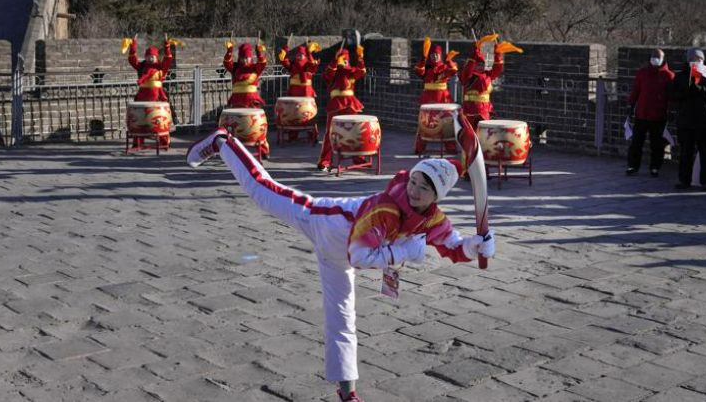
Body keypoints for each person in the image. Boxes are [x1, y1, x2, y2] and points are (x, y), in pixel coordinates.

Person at [185, 128, 496, 402]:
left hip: (340, 256)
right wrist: (403, 252)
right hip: (323, 222)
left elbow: (453, 246)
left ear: (436, 197)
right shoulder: (386, 210)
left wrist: (477, 245)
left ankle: (347, 393)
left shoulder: (432, 219)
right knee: (263, 191)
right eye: (413, 181)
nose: (414, 190)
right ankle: (224, 141)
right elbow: (359, 257)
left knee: (342, 320)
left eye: (423, 189)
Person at [669, 48, 706, 190]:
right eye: (693, 59)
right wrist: (686, 89)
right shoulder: (681, 76)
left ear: (703, 60)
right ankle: (684, 180)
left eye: (699, 59)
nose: (696, 62)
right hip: (686, 120)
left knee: (705, 152)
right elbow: (673, 95)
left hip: (704, 119)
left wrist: (700, 88)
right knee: (685, 152)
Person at [626, 48, 675, 177]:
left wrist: (670, 111)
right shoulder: (642, 73)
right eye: (653, 56)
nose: (655, 59)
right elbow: (636, 90)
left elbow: (670, 96)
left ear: (663, 59)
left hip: (658, 115)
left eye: (657, 57)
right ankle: (632, 165)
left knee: (657, 144)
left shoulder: (668, 75)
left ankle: (655, 167)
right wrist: (631, 104)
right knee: (636, 142)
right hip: (642, 113)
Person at [318, 46, 367, 171]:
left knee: (355, 131)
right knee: (330, 133)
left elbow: (361, 71)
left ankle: (358, 158)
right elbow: (328, 74)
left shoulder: (351, 71)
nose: (343, 62)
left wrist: (360, 58)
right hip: (335, 103)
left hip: (350, 103)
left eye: (345, 60)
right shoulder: (333, 72)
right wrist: (335, 61)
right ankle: (325, 161)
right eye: (342, 59)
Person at [459, 35, 522, 129]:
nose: (480, 67)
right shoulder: (468, 76)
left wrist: (497, 53)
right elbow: (467, 70)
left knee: (484, 133)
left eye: (482, 64)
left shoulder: (487, 75)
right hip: (470, 111)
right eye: (478, 64)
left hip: (484, 111)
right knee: (470, 134)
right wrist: (474, 55)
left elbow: (498, 68)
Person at [126, 37, 175, 149]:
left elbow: (168, 60)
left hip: (157, 97)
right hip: (142, 97)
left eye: (152, 56)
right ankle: (138, 143)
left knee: (160, 120)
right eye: (147, 56)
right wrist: (133, 46)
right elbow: (132, 60)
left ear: (156, 57)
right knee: (139, 120)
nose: (149, 58)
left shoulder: (161, 67)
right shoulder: (142, 66)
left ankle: (163, 142)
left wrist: (167, 46)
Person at [223, 41, 269, 158]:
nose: (244, 61)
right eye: (243, 58)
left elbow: (262, 62)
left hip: (252, 100)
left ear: (250, 58)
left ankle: (263, 149)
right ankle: (234, 149)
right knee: (235, 126)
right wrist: (229, 51)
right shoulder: (235, 68)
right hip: (237, 100)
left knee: (258, 125)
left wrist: (259, 52)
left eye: (247, 58)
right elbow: (227, 63)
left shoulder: (255, 68)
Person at [414, 38, 460, 154]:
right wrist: (423, 59)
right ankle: (420, 147)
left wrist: (449, 60)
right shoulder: (426, 68)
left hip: (443, 99)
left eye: (437, 55)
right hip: (428, 98)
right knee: (425, 123)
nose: (434, 57)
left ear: (440, 56)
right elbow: (419, 71)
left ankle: (450, 147)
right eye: (432, 55)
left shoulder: (444, 67)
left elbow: (453, 70)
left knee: (447, 123)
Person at [278, 42, 321, 141]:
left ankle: (312, 135)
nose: (299, 56)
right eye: (297, 55)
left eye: (301, 55)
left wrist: (309, 53)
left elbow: (313, 66)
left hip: (306, 92)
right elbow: (286, 63)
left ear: (304, 55)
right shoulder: (293, 64)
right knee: (294, 113)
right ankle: (293, 135)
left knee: (307, 113)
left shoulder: (308, 63)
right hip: (294, 92)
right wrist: (284, 54)